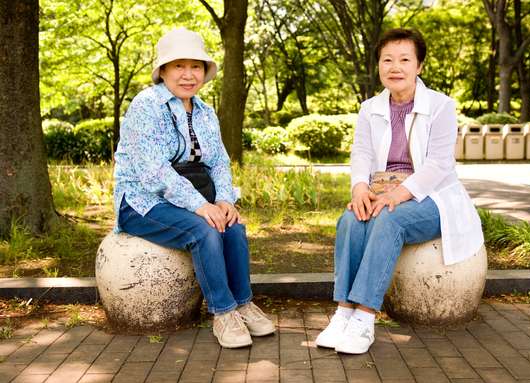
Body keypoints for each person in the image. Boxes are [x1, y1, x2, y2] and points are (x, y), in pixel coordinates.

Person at [315, 28, 484, 354]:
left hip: (432, 197)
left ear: (419, 66)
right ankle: (343, 312)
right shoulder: (370, 108)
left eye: (405, 59)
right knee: (349, 220)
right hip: (381, 191)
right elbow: (361, 154)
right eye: (387, 59)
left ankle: (364, 319)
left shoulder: (441, 106)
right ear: (378, 65)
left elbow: (438, 165)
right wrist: (360, 189)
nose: (395, 67)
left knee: (388, 220)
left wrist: (397, 195)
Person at [113, 28, 275, 348]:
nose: (188, 75)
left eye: (196, 66)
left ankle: (243, 303)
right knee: (204, 231)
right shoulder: (147, 105)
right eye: (178, 66)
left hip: (192, 196)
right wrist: (200, 206)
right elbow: (153, 171)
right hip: (141, 200)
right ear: (163, 71)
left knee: (233, 227)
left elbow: (219, 162)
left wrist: (225, 200)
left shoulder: (204, 111)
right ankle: (224, 312)